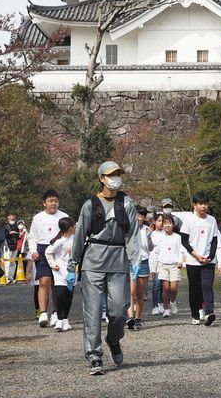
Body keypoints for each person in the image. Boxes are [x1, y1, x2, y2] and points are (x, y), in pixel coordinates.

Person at [66, 161, 141, 376]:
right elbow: (80, 235)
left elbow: (134, 234)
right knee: (93, 311)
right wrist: (73, 264)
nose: (115, 178)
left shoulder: (126, 203)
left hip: (118, 260)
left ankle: (114, 339)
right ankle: (95, 355)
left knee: (119, 310)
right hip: (93, 262)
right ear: (101, 178)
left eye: (118, 174)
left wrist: (135, 260)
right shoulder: (90, 204)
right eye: (111, 174)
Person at [180, 190, 221, 326]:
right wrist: (196, 255)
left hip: (208, 261)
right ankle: (196, 313)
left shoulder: (212, 220)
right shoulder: (189, 220)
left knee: (207, 285)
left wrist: (211, 257)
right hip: (193, 260)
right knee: (195, 289)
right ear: (194, 205)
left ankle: (209, 312)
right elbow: (184, 241)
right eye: (201, 204)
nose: (204, 206)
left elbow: (215, 240)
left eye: (206, 204)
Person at [28, 190, 68, 327]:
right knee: (44, 281)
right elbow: (32, 237)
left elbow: (69, 235)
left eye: (56, 201)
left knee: (57, 284)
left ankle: (56, 312)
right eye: (50, 201)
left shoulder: (64, 216)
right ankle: (43, 313)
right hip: (42, 250)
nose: (54, 204)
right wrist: (33, 251)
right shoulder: (38, 218)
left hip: (58, 251)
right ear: (44, 203)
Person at [45, 217, 76, 332]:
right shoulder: (59, 241)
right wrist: (53, 264)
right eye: (74, 226)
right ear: (70, 228)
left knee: (69, 295)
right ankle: (59, 319)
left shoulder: (76, 239)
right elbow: (48, 252)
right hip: (59, 272)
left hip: (72, 271)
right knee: (60, 295)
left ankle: (65, 319)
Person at [151, 214, 184, 317]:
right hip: (162, 265)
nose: (167, 225)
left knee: (173, 288)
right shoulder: (160, 237)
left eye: (169, 223)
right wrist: (153, 268)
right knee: (165, 288)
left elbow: (181, 251)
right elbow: (156, 252)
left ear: (173, 225)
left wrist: (180, 261)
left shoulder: (177, 237)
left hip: (174, 265)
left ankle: (173, 302)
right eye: (165, 223)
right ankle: (166, 309)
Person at [126, 206, 152, 330]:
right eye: (136, 215)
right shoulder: (127, 229)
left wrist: (149, 236)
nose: (138, 218)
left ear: (144, 218)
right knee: (130, 292)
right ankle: (130, 317)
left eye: (141, 216)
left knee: (139, 293)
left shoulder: (147, 230)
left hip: (142, 262)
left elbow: (151, 248)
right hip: (130, 262)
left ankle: (138, 318)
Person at [148, 212, 165, 315]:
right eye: (159, 221)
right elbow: (150, 251)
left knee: (164, 285)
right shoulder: (151, 234)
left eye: (162, 221)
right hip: (154, 262)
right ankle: (154, 305)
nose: (161, 223)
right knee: (156, 285)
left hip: (164, 262)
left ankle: (161, 303)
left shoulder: (166, 234)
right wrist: (152, 268)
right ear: (154, 221)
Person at [3, 213, 20, 284]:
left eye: (14, 219)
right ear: (8, 219)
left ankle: (11, 277)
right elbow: (3, 236)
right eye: (12, 219)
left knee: (13, 262)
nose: (13, 221)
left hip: (15, 245)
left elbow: (18, 236)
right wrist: (9, 233)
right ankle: (6, 278)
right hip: (7, 245)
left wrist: (19, 234)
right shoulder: (5, 227)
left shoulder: (16, 227)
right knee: (7, 262)